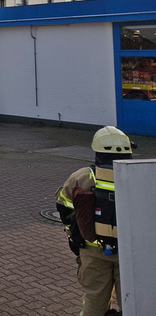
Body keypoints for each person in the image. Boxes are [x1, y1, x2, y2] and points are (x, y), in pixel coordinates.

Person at [56, 126, 133, 316]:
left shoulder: (82, 177)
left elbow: (64, 207)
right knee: (134, 303)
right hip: (131, 254)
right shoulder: (140, 176)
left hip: (93, 251)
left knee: (94, 301)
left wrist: (73, 236)